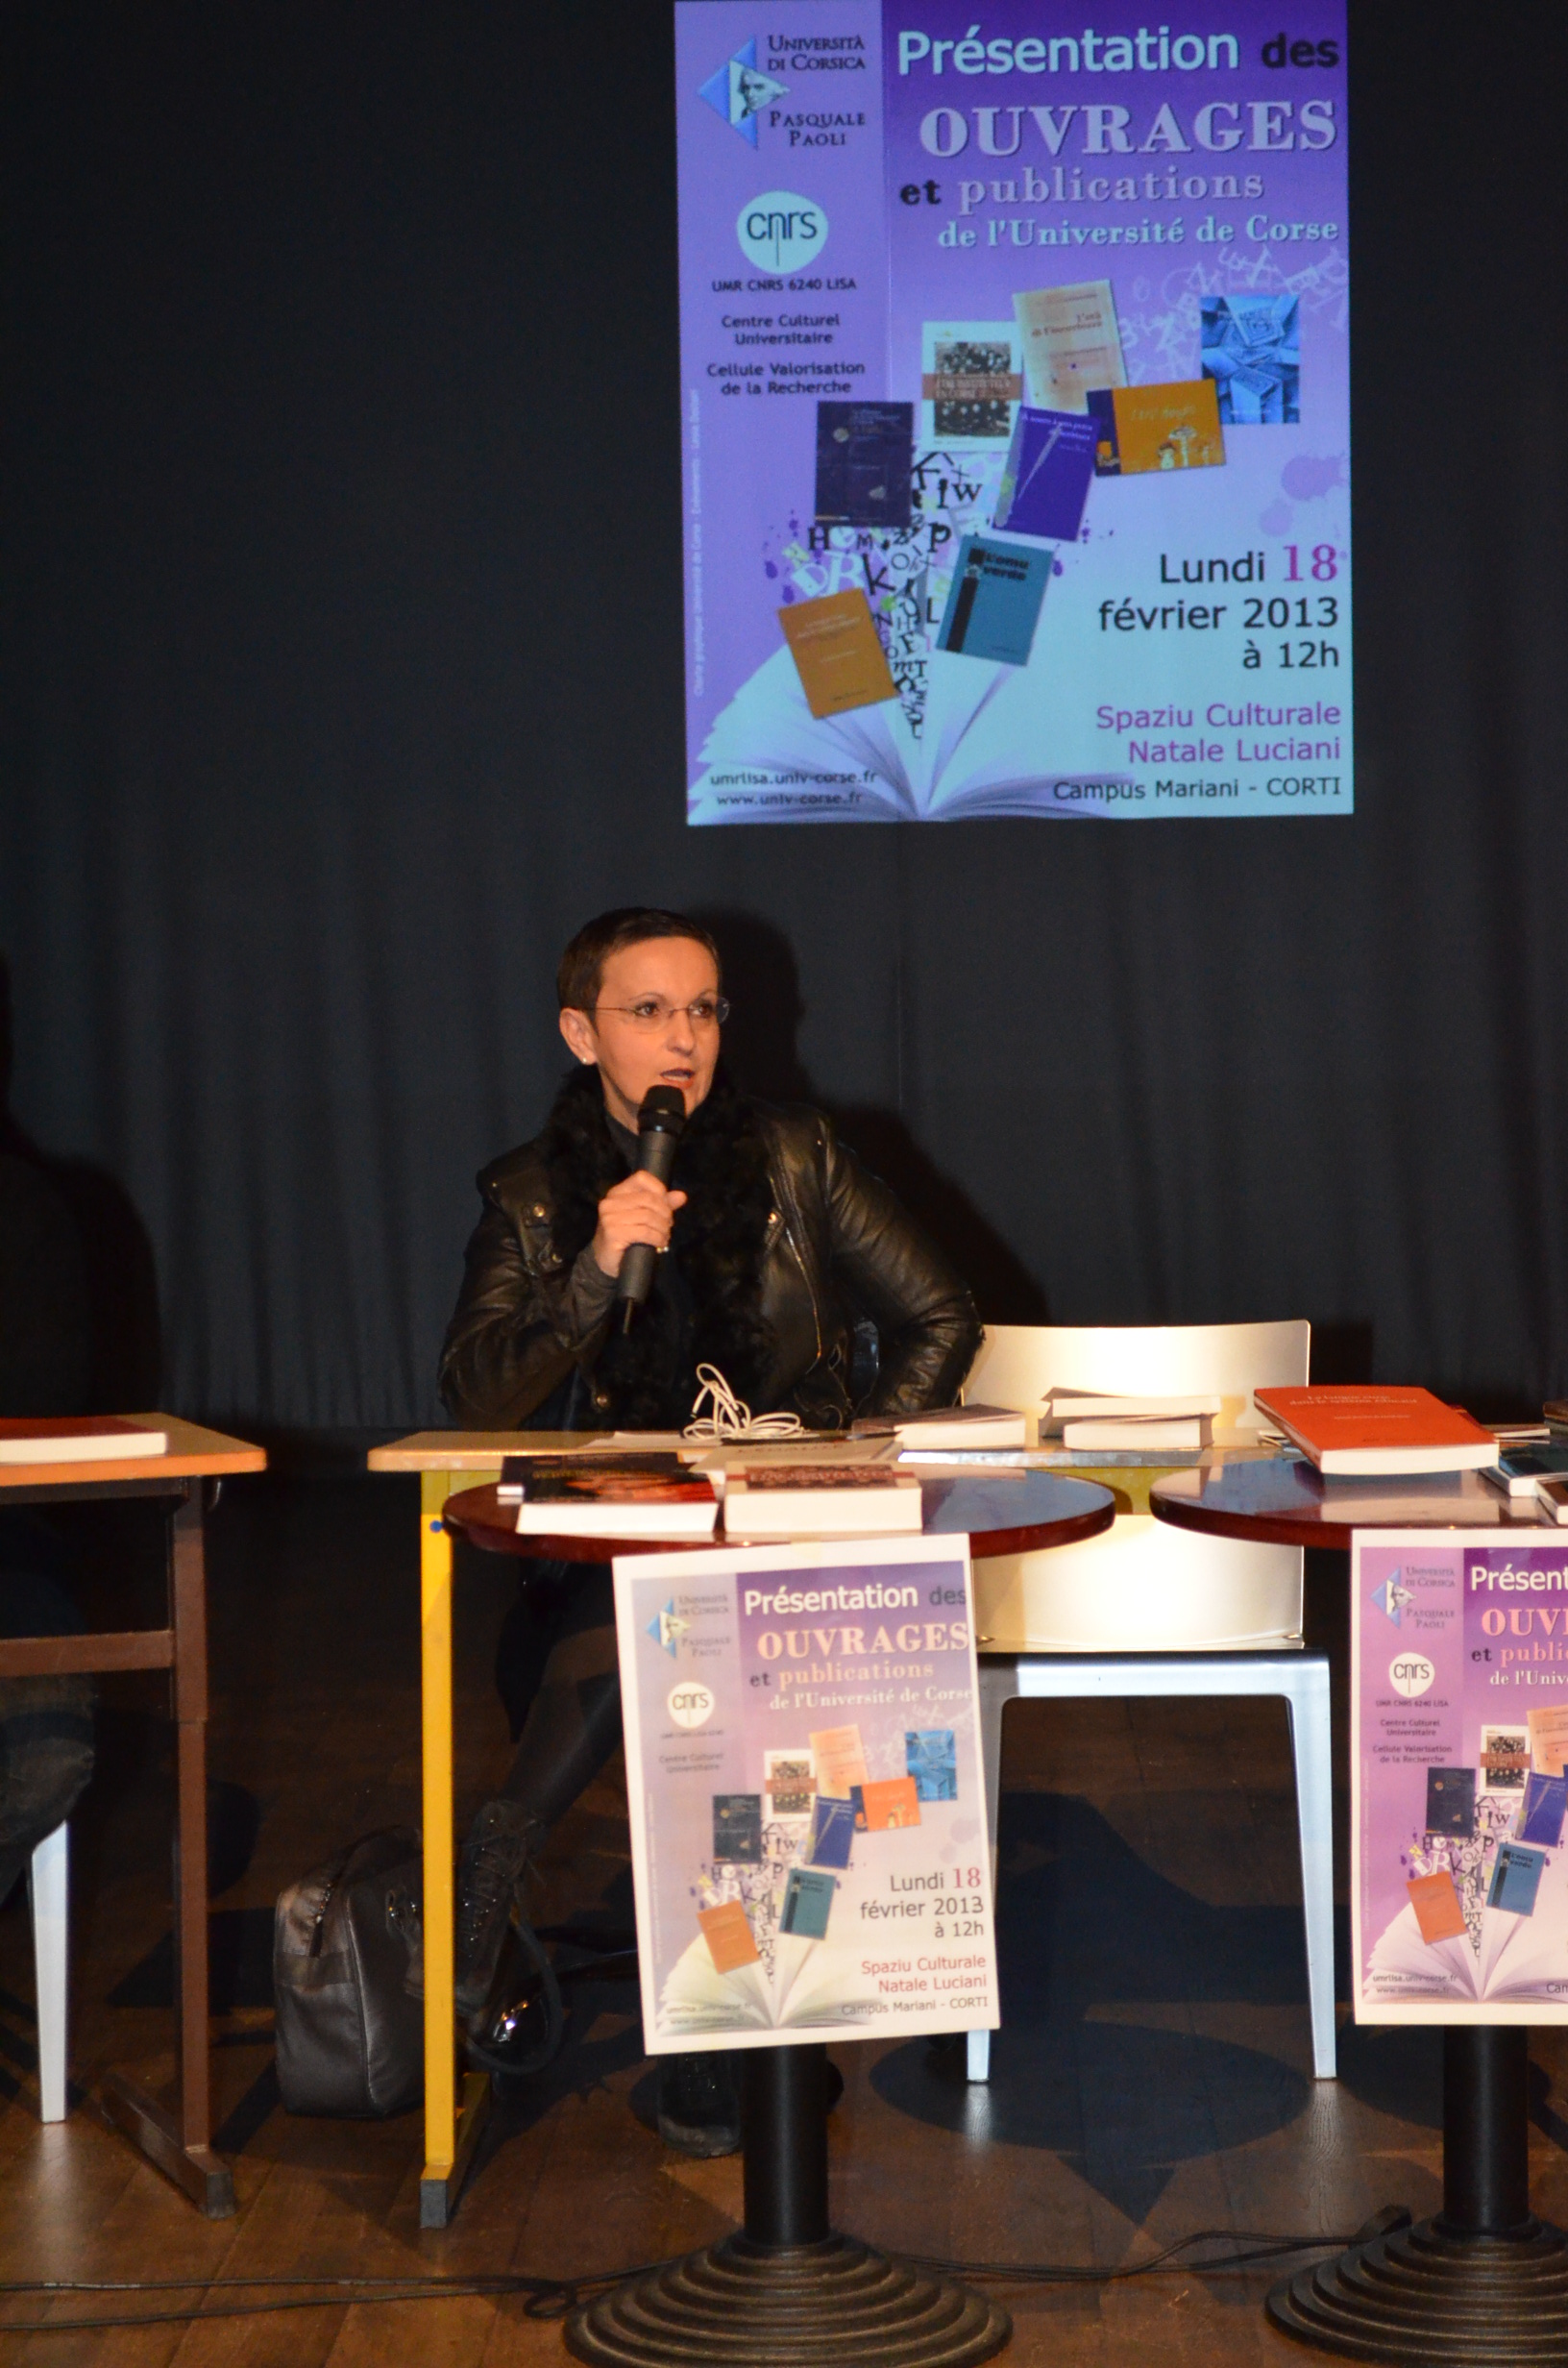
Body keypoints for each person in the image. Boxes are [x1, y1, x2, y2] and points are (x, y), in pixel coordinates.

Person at [439, 907, 980, 2146]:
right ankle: (624, 1965)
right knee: (658, 1617)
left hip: (796, 1539)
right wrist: (593, 1270)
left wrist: (842, 1469)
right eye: (649, 1012)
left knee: (696, 1640)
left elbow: (941, 1317)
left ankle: (517, 1875)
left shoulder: (796, 1157)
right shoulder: (531, 1196)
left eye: (703, 1010)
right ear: (581, 1034)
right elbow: (473, 1397)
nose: (683, 1038)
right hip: (614, 1555)